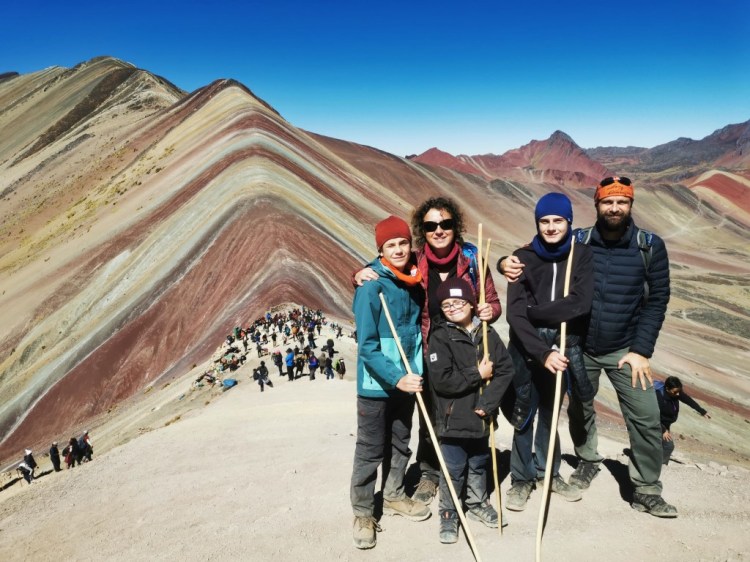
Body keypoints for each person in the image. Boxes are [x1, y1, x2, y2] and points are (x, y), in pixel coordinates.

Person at [499, 176, 675, 517]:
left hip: (623, 348)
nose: (614, 208)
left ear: (630, 205)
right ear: (596, 205)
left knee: (645, 414)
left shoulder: (648, 246)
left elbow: (657, 301)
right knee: (577, 408)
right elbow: (530, 255)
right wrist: (504, 261)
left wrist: (641, 350)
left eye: (621, 202)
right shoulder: (579, 240)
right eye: (607, 201)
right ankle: (586, 460)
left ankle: (646, 489)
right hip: (578, 346)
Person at [354, 197, 502, 506]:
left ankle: (469, 473)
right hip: (429, 352)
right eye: (431, 225)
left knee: (469, 411)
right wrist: (358, 273)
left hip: (467, 350)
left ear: (455, 226)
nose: (439, 230)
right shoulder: (415, 261)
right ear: (423, 231)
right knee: (431, 417)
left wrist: (491, 310)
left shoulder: (473, 259)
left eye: (445, 223)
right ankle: (430, 473)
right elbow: (385, 268)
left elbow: (492, 301)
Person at [504, 193, 592, 510]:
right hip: (527, 348)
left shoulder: (581, 255)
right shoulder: (521, 258)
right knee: (523, 413)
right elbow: (515, 315)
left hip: (563, 344)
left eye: (558, 220)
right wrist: (542, 352)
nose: (551, 227)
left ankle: (549, 473)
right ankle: (521, 479)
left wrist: (536, 312)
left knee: (550, 413)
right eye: (544, 221)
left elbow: (580, 303)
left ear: (569, 221)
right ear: (537, 223)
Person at [350, 215, 430, 550]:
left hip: (408, 379)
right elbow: (366, 346)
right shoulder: (371, 286)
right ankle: (363, 512)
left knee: (400, 442)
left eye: (403, 243)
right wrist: (397, 378)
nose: (398, 250)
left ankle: (394, 494)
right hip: (377, 385)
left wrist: (410, 375)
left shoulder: (413, 279)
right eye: (390, 245)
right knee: (370, 450)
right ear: (380, 250)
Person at [429, 278, 514, 543]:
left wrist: (488, 403)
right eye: (446, 305)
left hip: (482, 416)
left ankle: (477, 503)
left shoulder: (487, 334)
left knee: (478, 463)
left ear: (470, 304)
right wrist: (477, 374)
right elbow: (442, 380)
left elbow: (506, 370)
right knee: (453, 468)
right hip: (453, 419)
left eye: (458, 302)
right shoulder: (440, 336)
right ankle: (449, 513)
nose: (452, 308)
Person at [655, 376, 710, 465]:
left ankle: (657, 462)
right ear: (667, 389)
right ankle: (660, 465)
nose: (678, 394)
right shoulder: (659, 396)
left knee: (660, 444)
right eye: (675, 392)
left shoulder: (675, 393)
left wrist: (702, 411)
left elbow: (688, 400)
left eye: (679, 391)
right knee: (668, 446)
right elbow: (654, 416)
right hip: (657, 424)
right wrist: (663, 430)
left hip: (665, 424)